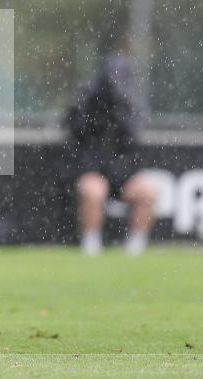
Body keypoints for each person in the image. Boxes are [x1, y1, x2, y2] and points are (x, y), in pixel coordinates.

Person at [65, 52, 157, 256]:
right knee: (93, 189)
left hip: (123, 174)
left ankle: (135, 248)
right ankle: (91, 244)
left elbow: (133, 138)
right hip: (94, 171)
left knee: (149, 191)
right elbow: (74, 131)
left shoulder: (129, 103)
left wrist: (121, 110)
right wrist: (88, 106)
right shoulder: (87, 100)